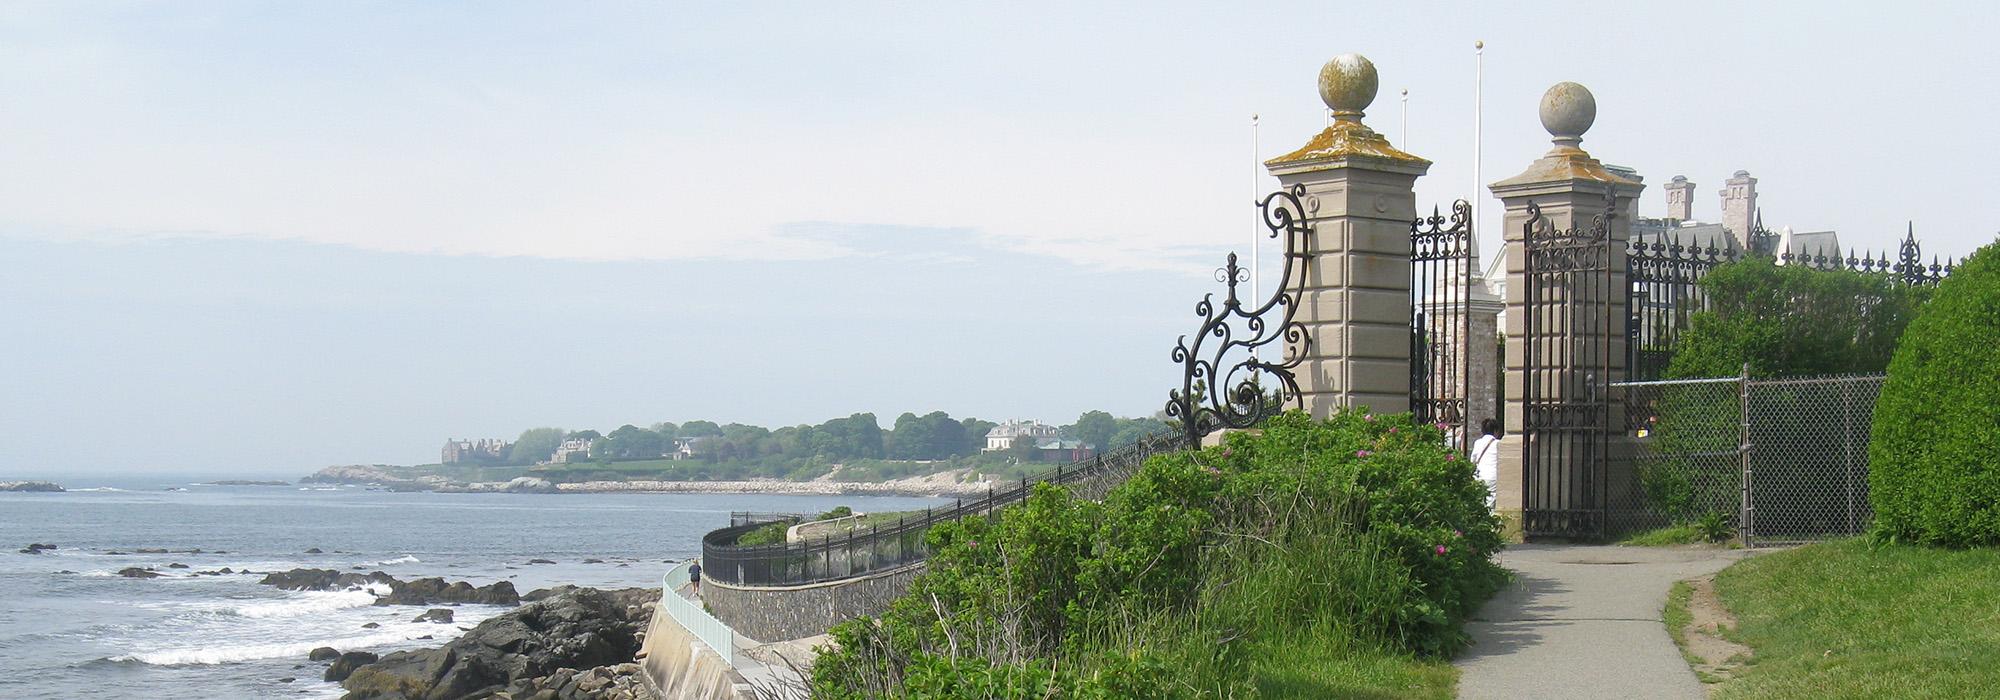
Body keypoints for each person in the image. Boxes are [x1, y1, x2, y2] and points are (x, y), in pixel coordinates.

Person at [1469, 419, 1502, 508]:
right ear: (1495, 430)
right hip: (1492, 476)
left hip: (1479, 475)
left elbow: (1473, 460)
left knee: (1480, 501)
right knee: (1491, 502)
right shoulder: (1498, 444)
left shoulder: (1478, 443)